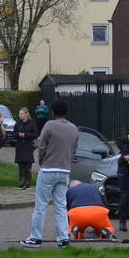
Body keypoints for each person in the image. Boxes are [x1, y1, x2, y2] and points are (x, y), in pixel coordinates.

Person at [21, 100, 77, 248]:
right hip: (64, 171)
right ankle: (63, 238)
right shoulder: (73, 128)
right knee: (61, 206)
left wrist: (41, 162)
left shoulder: (49, 125)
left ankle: (35, 237)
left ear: (53, 112)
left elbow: (42, 146)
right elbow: (74, 150)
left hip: (48, 170)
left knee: (41, 206)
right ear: (66, 112)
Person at [12, 107, 38, 189]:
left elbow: (35, 134)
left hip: (28, 146)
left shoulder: (32, 123)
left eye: (22, 114)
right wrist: (18, 135)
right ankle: (21, 181)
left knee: (27, 166)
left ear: (26, 114)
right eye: (19, 114)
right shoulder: (17, 123)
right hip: (20, 146)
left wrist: (25, 135)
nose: (20, 115)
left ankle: (28, 182)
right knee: (21, 166)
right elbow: (13, 134)